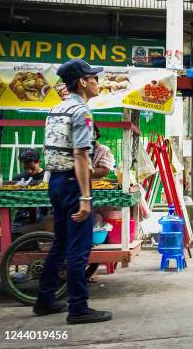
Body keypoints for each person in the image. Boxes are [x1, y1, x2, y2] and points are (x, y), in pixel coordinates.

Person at [35, 59, 112, 324]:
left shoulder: (56, 108)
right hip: (73, 183)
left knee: (60, 243)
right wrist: (86, 197)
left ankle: (44, 299)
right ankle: (78, 307)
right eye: (93, 78)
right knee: (78, 248)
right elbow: (80, 155)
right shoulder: (82, 113)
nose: (97, 82)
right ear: (82, 82)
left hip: (55, 182)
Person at [85, 124, 116, 284]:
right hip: (79, 189)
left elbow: (103, 170)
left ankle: (93, 268)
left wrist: (83, 170)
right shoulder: (78, 148)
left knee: (94, 226)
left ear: (96, 134)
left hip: (96, 192)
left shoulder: (103, 150)